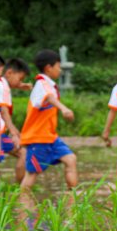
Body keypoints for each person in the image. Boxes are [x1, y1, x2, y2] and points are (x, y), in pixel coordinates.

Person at [19, 50, 78, 194]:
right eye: (58, 66)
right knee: (32, 174)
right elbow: (49, 97)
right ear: (48, 68)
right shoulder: (42, 84)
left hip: (50, 137)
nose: (60, 70)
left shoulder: (48, 84)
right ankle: (22, 201)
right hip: (38, 138)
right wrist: (64, 108)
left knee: (70, 159)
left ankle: (73, 198)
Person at [0, 57, 30, 183]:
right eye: (20, 79)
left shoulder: (0, 85)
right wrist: (14, 133)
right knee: (23, 153)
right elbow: (4, 112)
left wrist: (19, 85)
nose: (20, 82)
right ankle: (20, 189)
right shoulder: (2, 88)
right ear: (9, 73)